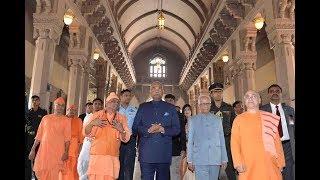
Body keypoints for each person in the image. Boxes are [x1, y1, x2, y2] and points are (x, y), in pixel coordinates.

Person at [231, 90, 285, 180]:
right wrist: (237, 162)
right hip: (247, 164)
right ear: (244, 102)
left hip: (269, 163)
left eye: (253, 96)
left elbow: (277, 142)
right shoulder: (238, 119)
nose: (250, 98)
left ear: (260, 100)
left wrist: (281, 161)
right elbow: (235, 143)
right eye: (247, 96)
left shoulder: (270, 117)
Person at [132, 81, 180, 180]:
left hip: (163, 153)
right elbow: (135, 127)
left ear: (163, 91)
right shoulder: (143, 107)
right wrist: (148, 130)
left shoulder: (170, 108)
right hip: (146, 153)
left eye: (159, 88)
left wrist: (163, 129)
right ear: (150, 91)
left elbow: (177, 129)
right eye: (154, 88)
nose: (156, 90)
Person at [84, 92, 131, 180]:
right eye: (113, 101)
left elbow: (126, 138)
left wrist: (121, 130)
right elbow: (86, 133)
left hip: (112, 156)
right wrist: (92, 123)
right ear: (107, 103)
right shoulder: (97, 115)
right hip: (97, 155)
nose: (116, 103)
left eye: (117, 102)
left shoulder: (121, 118)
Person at [28, 97, 71, 179]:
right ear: (54, 106)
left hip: (58, 151)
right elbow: (39, 135)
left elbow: (67, 138)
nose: (60, 107)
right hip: (44, 151)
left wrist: (66, 152)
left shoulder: (66, 120)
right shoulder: (45, 118)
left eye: (62, 105)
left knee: (54, 174)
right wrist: (32, 150)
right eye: (58, 105)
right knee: (41, 173)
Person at [187, 95, 228, 180]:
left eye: (207, 103)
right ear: (199, 105)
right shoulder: (193, 120)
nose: (205, 106)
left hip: (215, 158)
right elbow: (190, 142)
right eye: (202, 104)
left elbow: (221, 139)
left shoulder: (217, 119)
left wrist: (224, 158)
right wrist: (189, 160)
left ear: (210, 105)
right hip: (199, 159)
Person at [260, 84, 295, 180]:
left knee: (289, 173)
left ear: (281, 94)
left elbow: (292, 127)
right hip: (271, 148)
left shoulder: (289, 111)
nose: (275, 93)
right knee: (273, 174)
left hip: (288, 147)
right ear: (268, 94)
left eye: (277, 91)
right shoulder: (262, 111)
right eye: (272, 91)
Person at [209, 83, 236, 180]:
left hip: (227, 141)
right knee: (214, 170)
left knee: (230, 170)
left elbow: (234, 124)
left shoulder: (229, 107)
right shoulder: (208, 109)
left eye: (220, 91)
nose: (218, 94)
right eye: (215, 92)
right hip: (213, 142)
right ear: (211, 94)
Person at [77, 98, 104, 180]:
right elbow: (84, 132)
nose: (97, 106)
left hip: (98, 146)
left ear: (102, 106)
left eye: (99, 104)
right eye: (95, 104)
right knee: (83, 164)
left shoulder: (104, 117)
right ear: (92, 105)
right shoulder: (88, 117)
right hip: (87, 144)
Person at [25, 95, 48, 180]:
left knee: (37, 160)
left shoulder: (43, 112)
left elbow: (46, 126)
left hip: (39, 140)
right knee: (28, 159)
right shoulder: (29, 112)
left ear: (39, 101)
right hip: (29, 139)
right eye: (33, 100)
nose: (35, 102)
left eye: (36, 100)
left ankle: (37, 177)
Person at [164, 94, 186, 180]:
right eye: (166, 101)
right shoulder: (161, 115)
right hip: (163, 148)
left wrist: (183, 148)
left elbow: (182, 133)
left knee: (175, 172)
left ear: (174, 102)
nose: (168, 103)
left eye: (170, 101)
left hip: (176, 148)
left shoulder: (180, 115)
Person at [118, 89, 138, 180]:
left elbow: (137, 125)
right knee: (118, 164)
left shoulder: (134, 110)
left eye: (129, 95)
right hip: (117, 139)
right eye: (125, 95)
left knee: (129, 165)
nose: (128, 97)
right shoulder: (116, 110)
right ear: (121, 97)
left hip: (130, 140)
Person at [60, 105, 83, 180]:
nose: (72, 112)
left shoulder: (79, 120)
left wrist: (80, 148)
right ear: (67, 110)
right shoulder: (62, 119)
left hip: (74, 147)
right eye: (71, 110)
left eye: (74, 110)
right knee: (62, 166)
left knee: (73, 167)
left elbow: (81, 135)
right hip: (62, 146)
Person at [179, 104, 195, 180]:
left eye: (188, 109)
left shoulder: (195, 121)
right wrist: (183, 149)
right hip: (186, 147)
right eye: (185, 110)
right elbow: (182, 137)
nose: (187, 111)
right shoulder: (182, 123)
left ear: (191, 111)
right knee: (184, 167)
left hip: (194, 148)